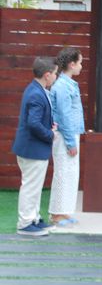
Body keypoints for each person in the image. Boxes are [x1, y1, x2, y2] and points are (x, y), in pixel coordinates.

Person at [11, 57, 58, 236]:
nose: (56, 76)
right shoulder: (36, 93)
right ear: (47, 75)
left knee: (34, 186)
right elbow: (34, 123)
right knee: (31, 187)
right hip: (33, 149)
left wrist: (50, 125)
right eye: (54, 73)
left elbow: (37, 120)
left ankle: (34, 219)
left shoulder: (35, 89)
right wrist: (50, 134)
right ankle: (24, 224)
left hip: (32, 148)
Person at [49, 47, 85, 226]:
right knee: (63, 173)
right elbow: (63, 115)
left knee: (71, 174)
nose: (81, 66)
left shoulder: (69, 84)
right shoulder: (63, 86)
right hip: (65, 136)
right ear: (71, 64)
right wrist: (71, 142)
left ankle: (64, 211)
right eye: (79, 63)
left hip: (70, 134)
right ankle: (56, 214)